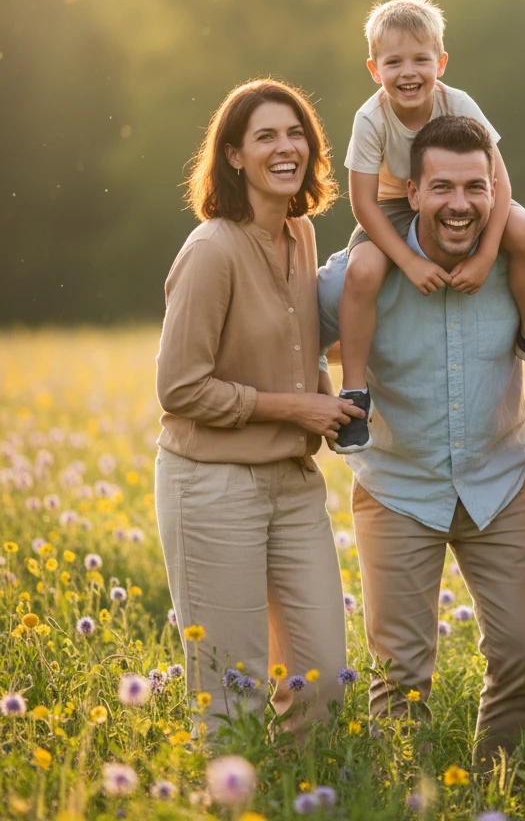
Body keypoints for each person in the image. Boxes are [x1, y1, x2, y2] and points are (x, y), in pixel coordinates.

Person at [317, 114, 525, 761]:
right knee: (401, 673)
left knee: (523, 655)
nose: (460, 205)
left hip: (500, 483)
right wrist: (312, 396)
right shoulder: (359, 273)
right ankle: (409, 793)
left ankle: (497, 785)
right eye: (442, 188)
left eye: (474, 187)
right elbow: (291, 331)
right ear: (412, 192)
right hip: (398, 489)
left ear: (494, 190)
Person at [154, 79, 361, 735]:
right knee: (231, 693)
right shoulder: (211, 250)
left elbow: (298, 346)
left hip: (293, 485)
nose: (285, 147)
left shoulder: (300, 235)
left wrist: (324, 397)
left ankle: (304, 787)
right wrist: (295, 409)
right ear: (234, 156)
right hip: (213, 486)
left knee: (322, 682)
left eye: (296, 133)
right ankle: (233, 787)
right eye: (265, 136)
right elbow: (180, 388)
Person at [334, 0, 525, 453]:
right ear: (374, 69)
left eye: (420, 60)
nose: (408, 72)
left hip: (461, 192)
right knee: (361, 272)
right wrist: (408, 261)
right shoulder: (371, 118)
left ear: (440, 63)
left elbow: (499, 182)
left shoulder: (458, 103)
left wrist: (486, 256)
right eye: (393, 62)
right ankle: (355, 390)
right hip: (391, 204)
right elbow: (362, 203)